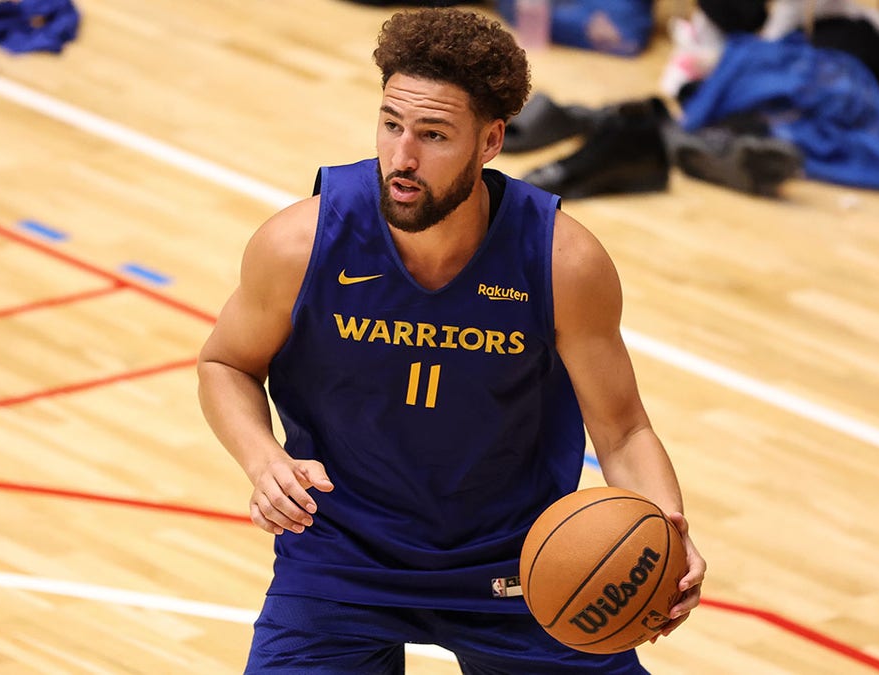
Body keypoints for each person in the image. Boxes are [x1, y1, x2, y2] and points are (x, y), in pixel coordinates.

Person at [197, 8, 706, 673]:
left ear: (491, 141)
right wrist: (263, 459)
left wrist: (668, 527)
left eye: (434, 135)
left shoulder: (561, 262)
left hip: (523, 562)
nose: (402, 157)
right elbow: (224, 362)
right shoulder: (299, 244)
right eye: (391, 125)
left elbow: (623, 429)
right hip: (343, 554)